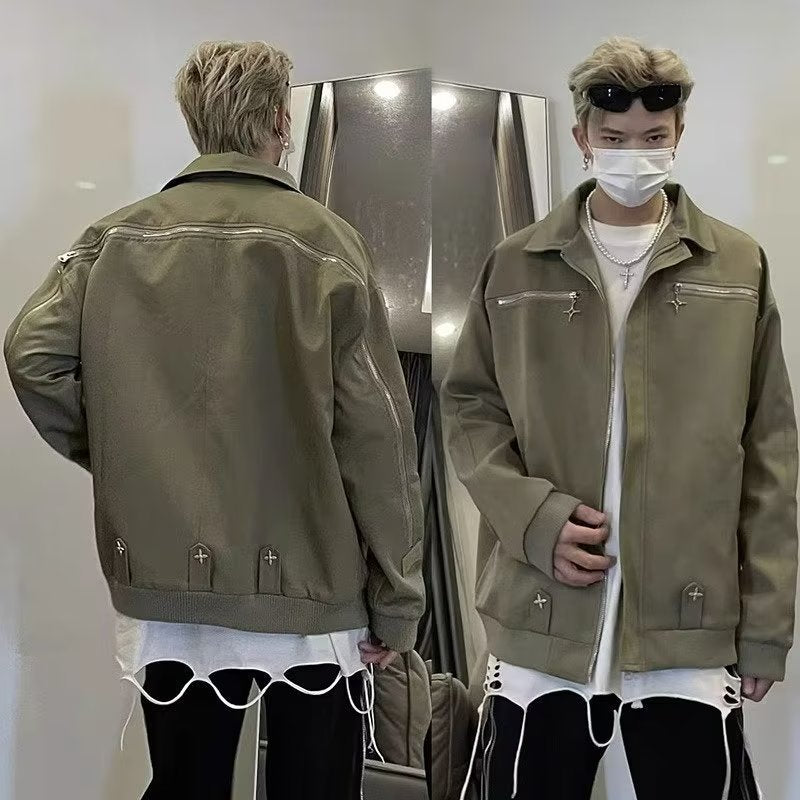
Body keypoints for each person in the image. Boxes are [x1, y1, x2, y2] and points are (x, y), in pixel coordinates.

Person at [4, 40, 425, 800]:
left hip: (168, 578)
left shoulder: (114, 239)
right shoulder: (326, 244)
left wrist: (129, 451)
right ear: (280, 121)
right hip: (311, 583)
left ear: (195, 121)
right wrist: (398, 601)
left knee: (186, 783)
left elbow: (32, 354)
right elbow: (379, 438)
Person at [441, 36, 798, 800]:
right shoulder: (516, 265)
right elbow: (469, 409)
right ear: (582, 137)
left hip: (686, 626)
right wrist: (533, 520)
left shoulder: (738, 267)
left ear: (678, 134)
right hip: (541, 616)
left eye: (652, 137)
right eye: (613, 138)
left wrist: (768, 625)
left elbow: (771, 452)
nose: (634, 155)